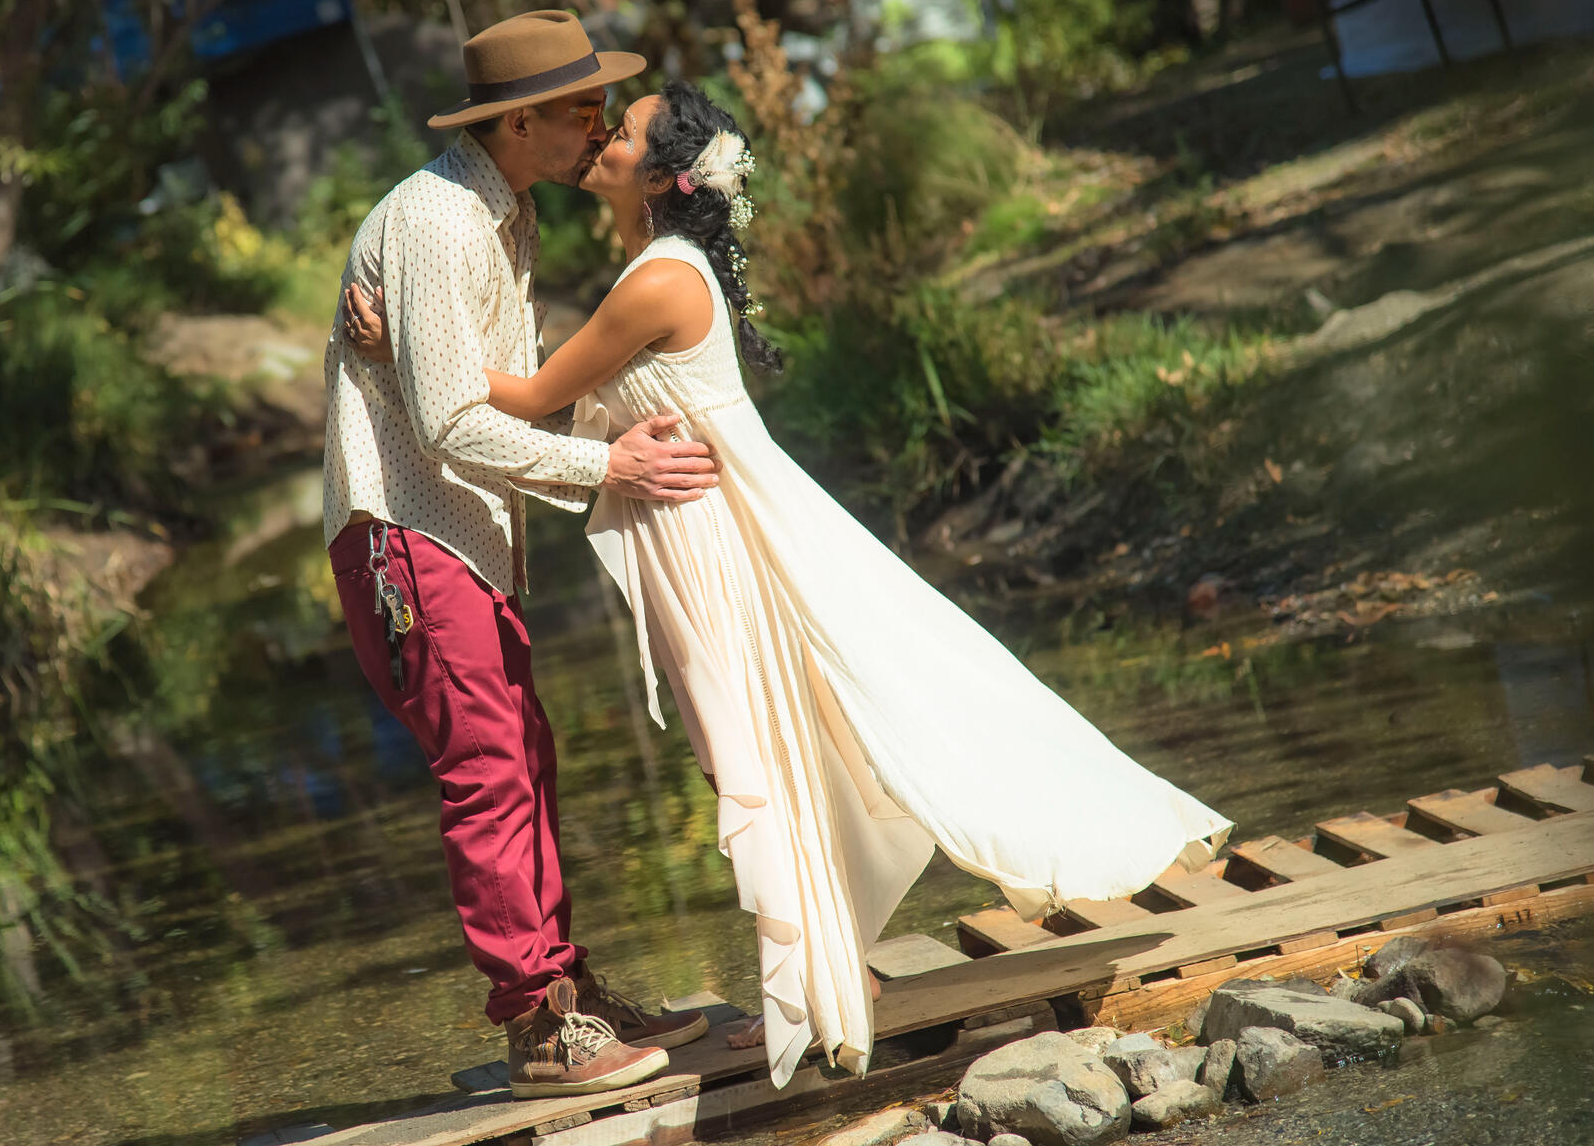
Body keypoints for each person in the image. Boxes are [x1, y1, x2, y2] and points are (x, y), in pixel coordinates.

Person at [343, 81, 1235, 1090]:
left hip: (719, 542)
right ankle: (814, 992)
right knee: (760, 758)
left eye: (622, 128)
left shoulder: (658, 280)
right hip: (690, 537)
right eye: (595, 116)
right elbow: (547, 394)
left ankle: (812, 994)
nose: (601, 133)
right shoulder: (634, 263)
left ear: (663, 175)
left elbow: (539, 394)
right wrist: (419, 348)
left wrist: (413, 352)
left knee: (761, 756)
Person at [322, 11, 722, 1100]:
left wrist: (599, 460)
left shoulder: (506, 215)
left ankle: (566, 990)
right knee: (489, 776)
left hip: (464, 538)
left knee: (525, 759)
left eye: (602, 106)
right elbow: (453, 422)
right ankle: (539, 1027)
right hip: (409, 538)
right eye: (581, 109)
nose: (598, 126)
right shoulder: (441, 223)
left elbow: (511, 395)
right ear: (518, 122)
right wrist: (609, 471)